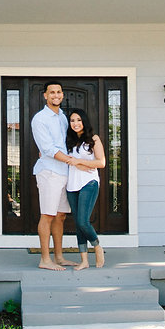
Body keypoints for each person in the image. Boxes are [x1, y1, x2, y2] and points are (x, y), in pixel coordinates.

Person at [30, 81, 76, 270]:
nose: (55, 95)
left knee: (60, 216)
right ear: (45, 96)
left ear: (62, 95)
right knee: (48, 215)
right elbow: (48, 148)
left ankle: (59, 257)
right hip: (49, 172)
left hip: (64, 172)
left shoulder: (63, 117)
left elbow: (65, 142)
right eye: (52, 92)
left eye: (58, 92)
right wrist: (70, 160)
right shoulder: (40, 119)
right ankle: (45, 260)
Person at [65, 108, 106, 269]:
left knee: (83, 221)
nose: (75, 123)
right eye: (72, 121)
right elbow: (63, 157)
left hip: (89, 183)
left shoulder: (93, 138)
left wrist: (80, 162)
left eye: (78, 120)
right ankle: (84, 261)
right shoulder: (69, 140)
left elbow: (101, 162)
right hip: (72, 184)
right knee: (78, 224)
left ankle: (97, 246)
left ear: (84, 121)